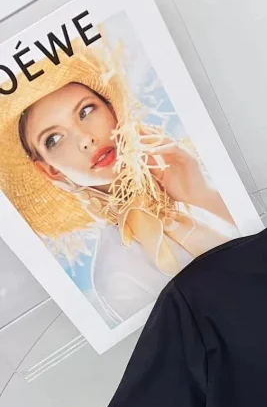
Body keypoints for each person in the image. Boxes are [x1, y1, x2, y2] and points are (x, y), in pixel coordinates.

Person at [0, 49, 237, 326]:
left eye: (86, 111)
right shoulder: (114, 274)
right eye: (54, 139)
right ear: (50, 170)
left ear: (112, 109)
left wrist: (203, 195)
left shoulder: (205, 159)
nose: (85, 139)